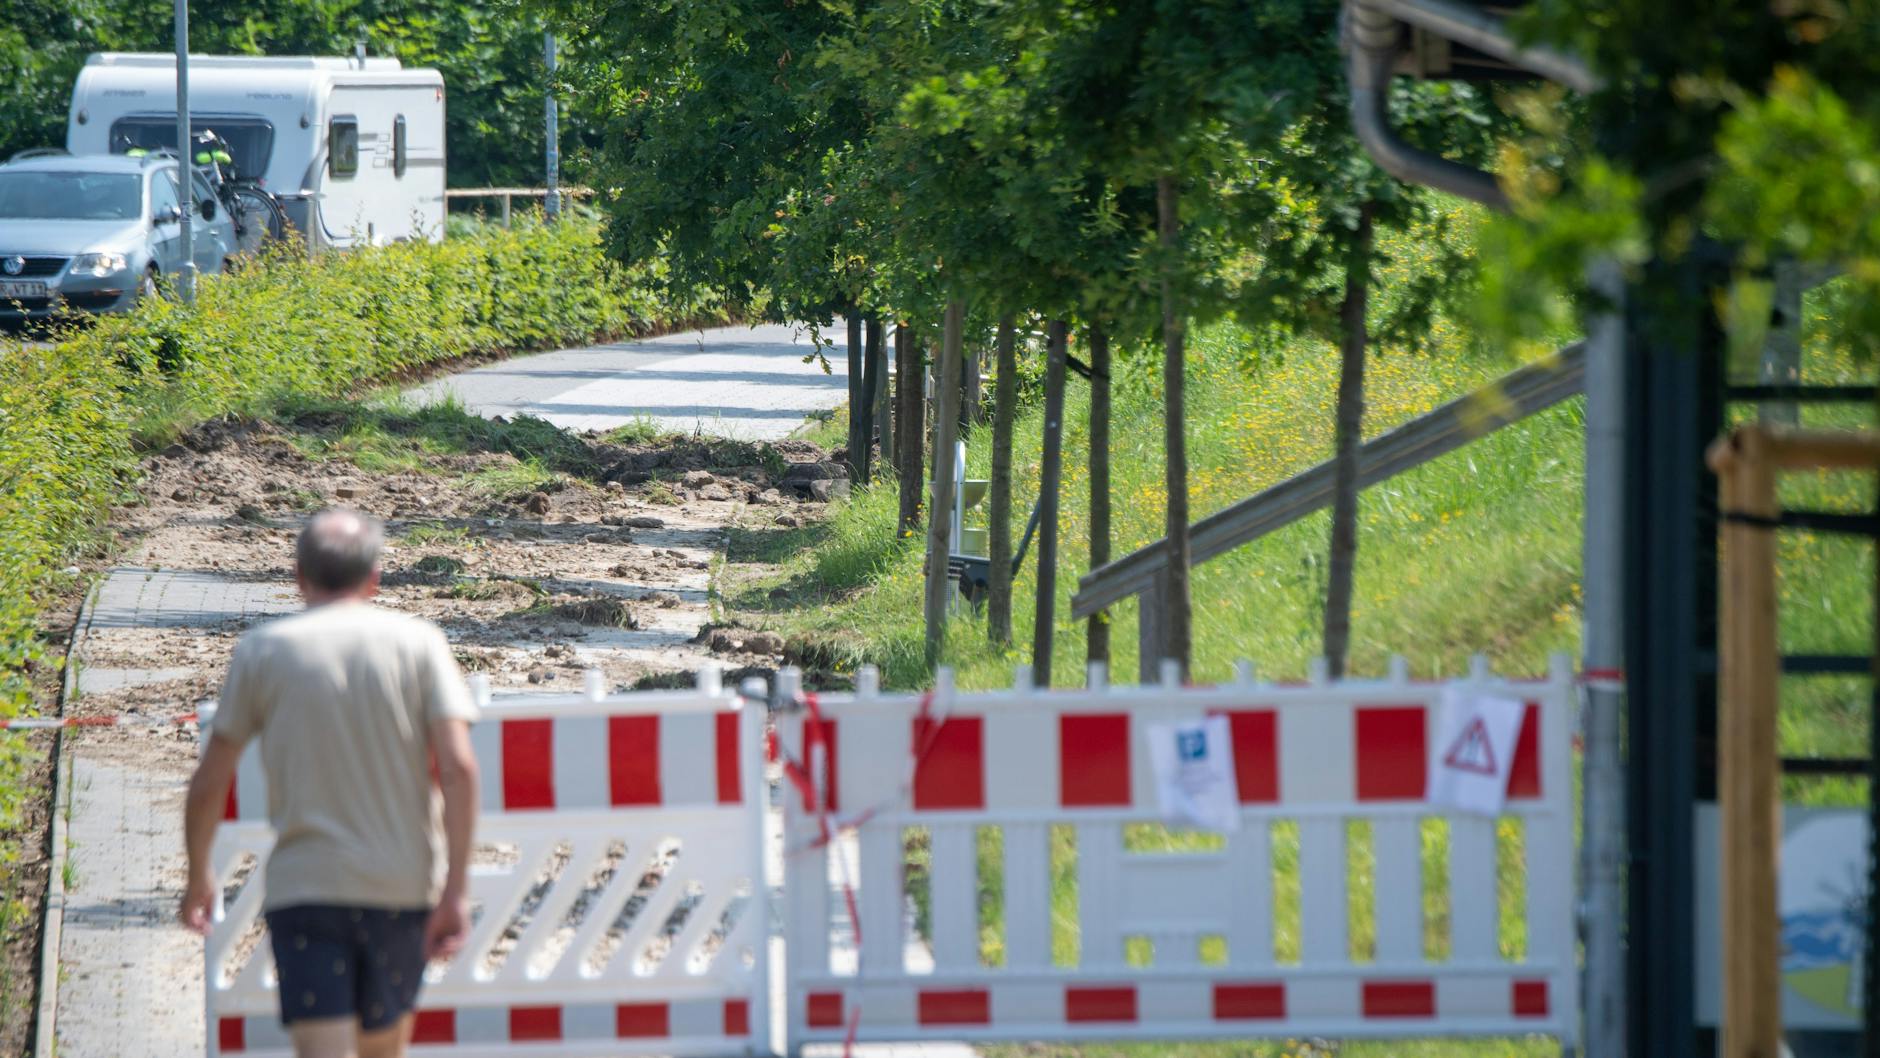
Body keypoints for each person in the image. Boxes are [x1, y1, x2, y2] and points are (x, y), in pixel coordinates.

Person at [180, 509, 481, 1058]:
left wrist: (200, 871)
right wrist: (455, 888)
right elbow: (459, 769)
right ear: (375, 578)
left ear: (299, 576)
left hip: (306, 889)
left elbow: (210, 778)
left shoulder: (264, 650)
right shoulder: (419, 643)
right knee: (383, 1050)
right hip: (400, 886)